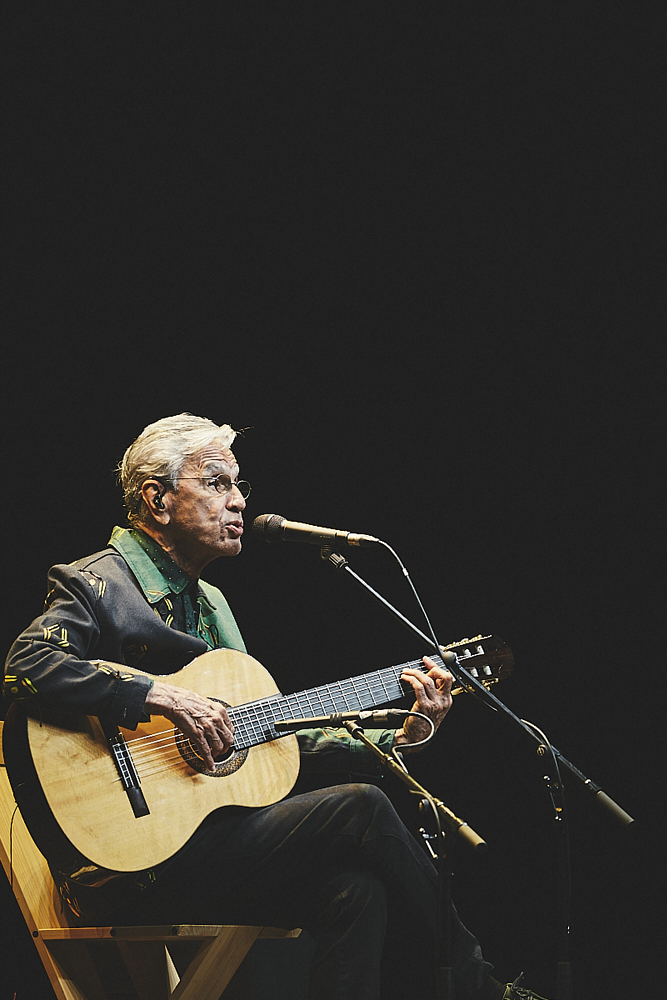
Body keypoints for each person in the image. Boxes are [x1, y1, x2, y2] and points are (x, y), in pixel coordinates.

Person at [4, 413, 550, 1000]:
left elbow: (270, 735)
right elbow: (23, 667)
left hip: (202, 851)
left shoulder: (212, 605)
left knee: (355, 890)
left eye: (239, 485)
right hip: (119, 868)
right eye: (217, 483)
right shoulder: (98, 584)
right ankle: (485, 989)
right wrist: (159, 696)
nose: (238, 501)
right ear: (157, 500)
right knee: (361, 809)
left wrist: (400, 736)